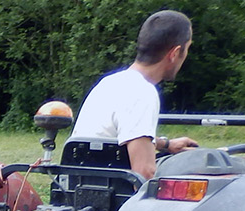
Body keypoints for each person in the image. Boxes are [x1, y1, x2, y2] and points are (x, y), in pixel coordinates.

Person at [71, 10, 198, 181]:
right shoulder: (142, 93)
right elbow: (143, 174)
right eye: (187, 48)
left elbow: (116, 139)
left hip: (85, 185)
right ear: (174, 53)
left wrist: (166, 144)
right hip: (117, 200)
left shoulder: (110, 83)